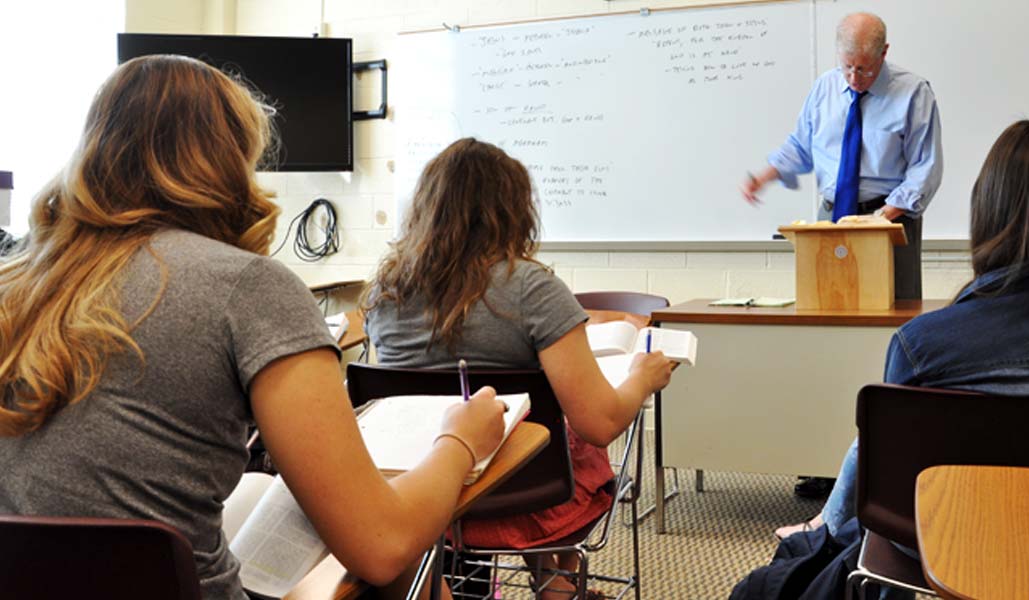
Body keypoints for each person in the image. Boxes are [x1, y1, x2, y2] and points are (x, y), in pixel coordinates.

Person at [0, 55, 506, 600]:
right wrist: (460, 438)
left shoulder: (16, 280)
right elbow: (380, 545)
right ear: (229, 158)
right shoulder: (247, 286)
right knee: (398, 563)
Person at [784, 119, 1029, 543]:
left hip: (960, 541)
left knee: (876, 439)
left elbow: (895, 480)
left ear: (986, 207)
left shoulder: (920, 344)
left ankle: (822, 530)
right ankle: (822, 526)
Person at [363, 137, 675, 600]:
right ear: (512, 210)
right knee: (565, 439)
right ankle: (556, 582)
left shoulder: (383, 292)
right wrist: (642, 378)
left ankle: (505, 579)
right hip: (528, 495)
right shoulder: (531, 288)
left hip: (421, 493)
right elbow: (600, 423)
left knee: (534, 431)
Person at [741, 11, 942, 301]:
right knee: (829, 307)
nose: (854, 78)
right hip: (832, 217)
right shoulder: (825, 87)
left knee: (894, 311)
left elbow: (925, 167)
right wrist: (764, 176)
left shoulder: (913, 93)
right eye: (847, 67)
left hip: (888, 220)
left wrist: (883, 216)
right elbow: (801, 145)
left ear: (884, 52)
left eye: (864, 69)